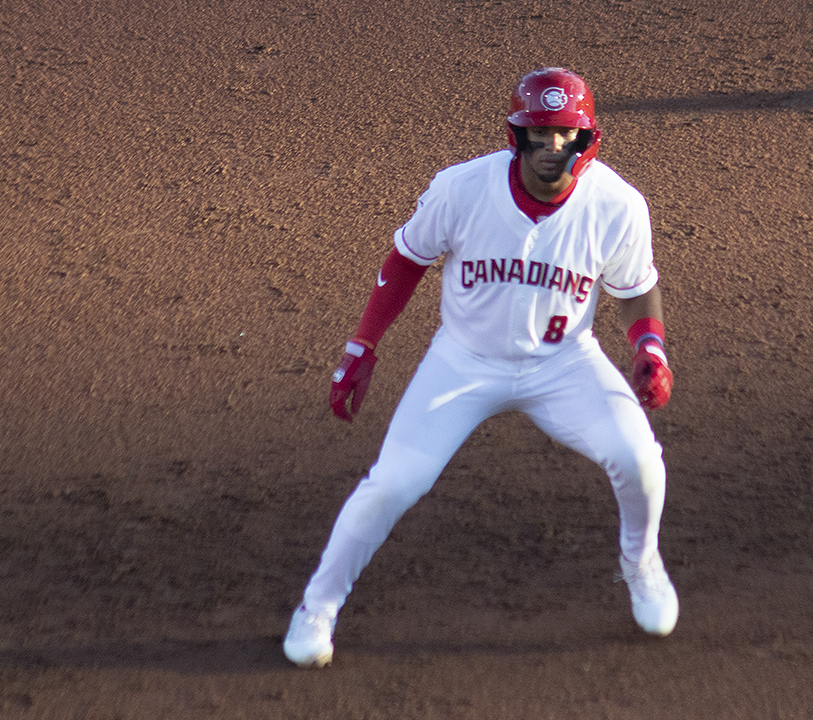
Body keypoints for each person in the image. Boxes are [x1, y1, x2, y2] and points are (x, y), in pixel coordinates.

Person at [284, 67, 678, 667]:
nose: (551, 149)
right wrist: (362, 345)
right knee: (393, 483)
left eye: (565, 135)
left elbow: (636, 288)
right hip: (463, 361)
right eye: (538, 135)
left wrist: (650, 349)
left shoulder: (617, 205)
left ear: (587, 139)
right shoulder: (462, 188)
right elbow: (407, 260)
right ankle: (317, 608)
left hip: (565, 363)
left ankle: (640, 562)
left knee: (639, 460)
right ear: (515, 136)